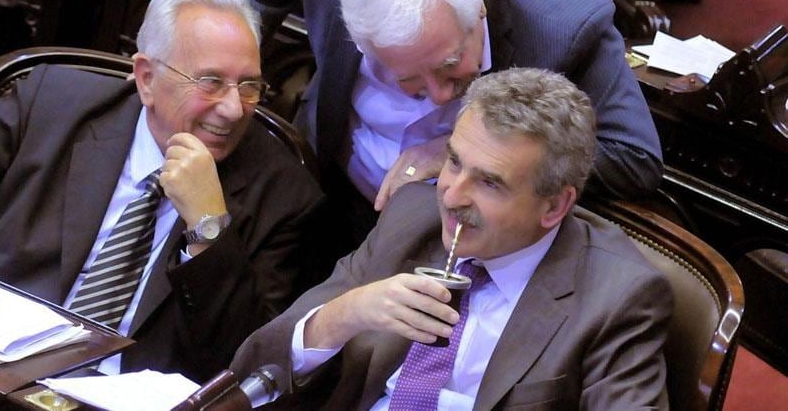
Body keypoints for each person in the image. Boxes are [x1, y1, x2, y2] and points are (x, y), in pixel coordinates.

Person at [0, 0, 324, 382]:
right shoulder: (55, 102)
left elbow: (240, 358)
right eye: (211, 82)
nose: (233, 107)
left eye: (249, 86)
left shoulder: (283, 192)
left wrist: (208, 228)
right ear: (146, 78)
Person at [234, 0, 663, 245]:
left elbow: (634, 159)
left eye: (452, 67)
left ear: (477, 11)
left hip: (469, 242)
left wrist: (457, 151)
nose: (440, 95)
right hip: (329, 189)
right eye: (406, 81)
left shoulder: (562, 21)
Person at [231, 68, 672, 410]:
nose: (452, 196)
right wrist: (343, 315)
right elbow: (250, 373)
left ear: (554, 206)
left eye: (490, 184)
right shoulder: (412, 217)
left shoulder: (618, 297)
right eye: (455, 162)